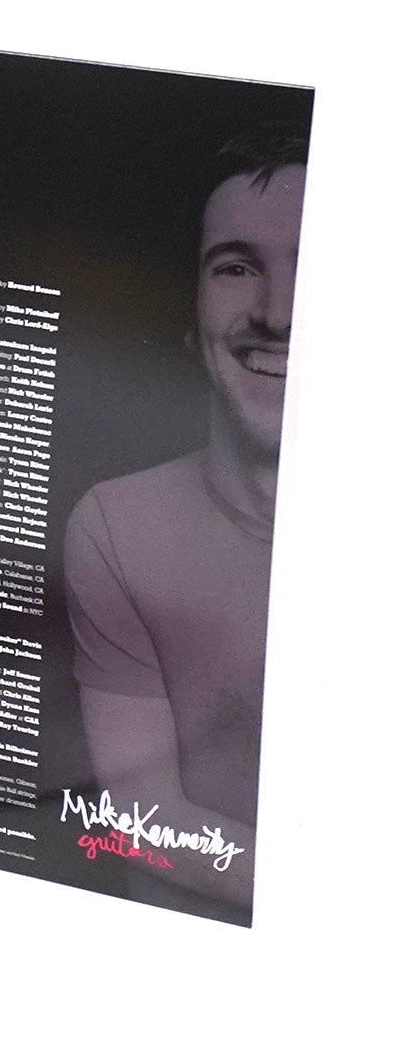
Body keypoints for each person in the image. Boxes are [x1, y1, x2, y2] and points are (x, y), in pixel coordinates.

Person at [64, 126, 306, 910]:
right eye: (236, 267)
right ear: (188, 315)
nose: (278, 313)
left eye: (317, 267)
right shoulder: (116, 526)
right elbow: (140, 821)